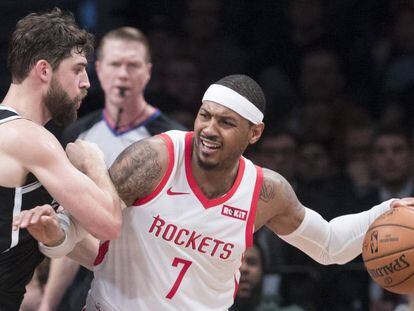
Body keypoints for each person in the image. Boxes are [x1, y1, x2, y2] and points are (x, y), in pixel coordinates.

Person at [18, 74, 412, 310]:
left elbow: (329, 246)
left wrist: (386, 212)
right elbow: (80, 224)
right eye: (204, 115)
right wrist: (55, 237)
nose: (208, 129)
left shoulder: (266, 192)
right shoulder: (155, 158)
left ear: (254, 133)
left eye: (226, 122)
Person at [38, 26, 186, 311]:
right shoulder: (76, 134)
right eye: (115, 64)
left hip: (147, 279)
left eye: (132, 65)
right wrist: (47, 304)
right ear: (99, 70)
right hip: (83, 272)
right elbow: (66, 218)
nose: (123, 74)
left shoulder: (174, 140)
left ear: (148, 71)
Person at [0, 8, 123, 310]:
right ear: (44, 70)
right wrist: (93, 161)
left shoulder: (15, 134)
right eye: (78, 69)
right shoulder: (28, 138)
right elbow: (108, 225)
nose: (86, 83)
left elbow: (88, 249)